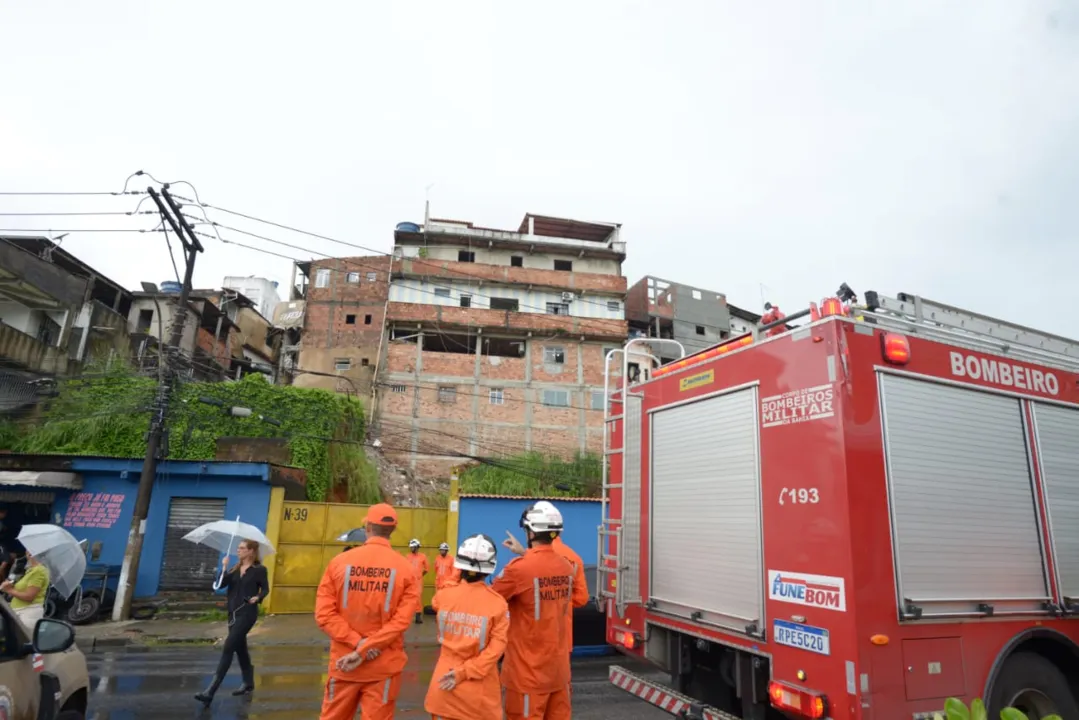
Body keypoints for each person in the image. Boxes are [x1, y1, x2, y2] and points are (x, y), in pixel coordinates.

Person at [315, 503, 420, 720]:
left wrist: (357, 644)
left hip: (344, 664)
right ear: (392, 530)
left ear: (368, 527)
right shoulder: (407, 570)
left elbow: (324, 615)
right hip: (383, 667)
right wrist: (367, 647)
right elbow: (400, 623)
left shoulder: (338, 563)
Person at [492, 501, 575, 720]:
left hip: (528, 675)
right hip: (559, 674)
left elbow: (492, 598)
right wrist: (524, 553)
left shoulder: (518, 569)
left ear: (530, 532)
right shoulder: (567, 567)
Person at [424, 534, 508, 720]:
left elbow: (444, 590)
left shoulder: (444, 596)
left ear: (459, 566)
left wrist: (457, 573)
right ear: (489, 568)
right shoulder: (497, 604)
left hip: (443, 687)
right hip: (479, 695)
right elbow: (497, 649)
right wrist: (464, 672)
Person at [503, 501, 589, 652]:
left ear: (532, 532)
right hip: (561, 639)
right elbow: (581, 598)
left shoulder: (522, 565)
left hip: (532, 641)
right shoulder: (574, 559)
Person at [194, 539, 270, 706]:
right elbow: (220, 585)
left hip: (247, 613)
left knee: (229, 646)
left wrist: (258, 597)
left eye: (242, 548)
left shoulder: (259, 570)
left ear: (251, 551)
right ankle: (248, 682)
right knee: (240, 647)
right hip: (233, 614)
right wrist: (223, 568)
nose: (238, 551)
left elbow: (265, 589)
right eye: (238, 548)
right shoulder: (234, 569)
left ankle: (210, 691)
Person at [1, 551, 49, 629]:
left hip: (27, 613)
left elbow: (29, 597)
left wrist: (9, 590)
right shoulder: (30, 570)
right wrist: (11, 586)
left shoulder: (38, 571)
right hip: (19, 611)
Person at [406, 538, 428, 624]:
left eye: (413, 547)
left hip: (418, 581)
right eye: (411, 547)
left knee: (418, 598)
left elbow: (426, 569)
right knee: (408, 597)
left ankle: (418, 617)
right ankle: (407, 616)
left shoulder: (423, 557)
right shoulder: (408, 556)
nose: (411, 549)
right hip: (409, 580)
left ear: (417, 547)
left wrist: (419, 576)